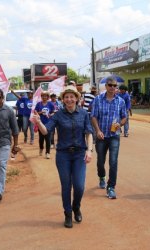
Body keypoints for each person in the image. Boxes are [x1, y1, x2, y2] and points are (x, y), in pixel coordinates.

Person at [33, 85, 93, 228]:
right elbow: (46, 131)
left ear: (77, 98)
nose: (69, 99)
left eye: (72, 96)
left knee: (79, 186)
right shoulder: (58, 115)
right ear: (63, 99)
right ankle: (67, 214)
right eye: (66, 97)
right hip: (63, 155)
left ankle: (76, 207)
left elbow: (89, 133)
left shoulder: (84, 114)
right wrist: (39, 121)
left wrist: (89, 150)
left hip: (79, 154)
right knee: (66, 186)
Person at [91, 77, 127, 199]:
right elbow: (93, 116)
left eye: (114, 86)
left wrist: (120, 124)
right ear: (105, 86)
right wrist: (98, 131)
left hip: (114, 136)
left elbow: (124, 117)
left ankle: (111, 187)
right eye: (110, 85)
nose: (112, 88)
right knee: (100, 162)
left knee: (113, 162)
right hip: (101, 136)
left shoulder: (120, 101)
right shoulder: (98, 100)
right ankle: (102, 176)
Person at [35, 91, 55, 159]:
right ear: (41, 97)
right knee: (41, 138)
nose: (44, 97)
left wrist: (50, 114)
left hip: (49, 123)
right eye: (43, 96)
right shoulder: (38, 104)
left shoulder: (50, 104)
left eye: (45, 96)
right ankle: (41, 148)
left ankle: (47, 153)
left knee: (48, 138)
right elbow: (35, 112)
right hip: (41, 123)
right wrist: (40, 112)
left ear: (47, 97)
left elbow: (53, 112)